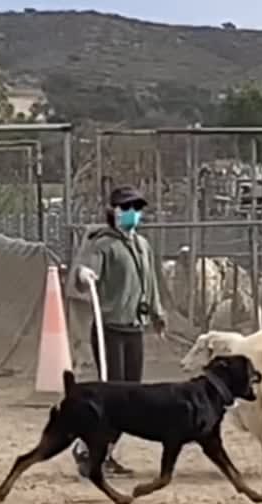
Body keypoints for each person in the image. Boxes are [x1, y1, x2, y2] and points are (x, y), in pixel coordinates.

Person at [69, 185, 166, 477]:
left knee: (131, 397)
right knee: (112, 394)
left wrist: (158, 313)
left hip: (134, 328)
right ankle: (90, 451)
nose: (133, 213)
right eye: (127, 208)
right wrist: (83, 274)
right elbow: (85, 270)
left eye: (137, 208)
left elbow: (150, 283)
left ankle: (104, 452)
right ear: (113, 212)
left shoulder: (143, 245)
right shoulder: (103, 244)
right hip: (109, 328)